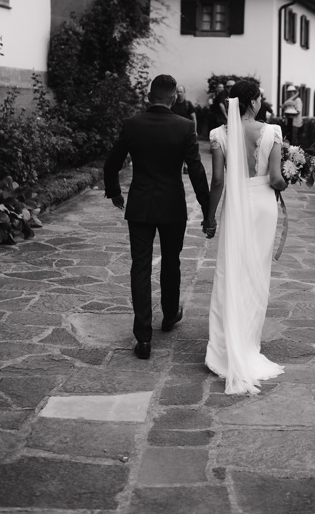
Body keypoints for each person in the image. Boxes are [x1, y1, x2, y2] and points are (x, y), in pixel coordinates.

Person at [104, 74, 212, 359]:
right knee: (171, 261)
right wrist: (207, 208)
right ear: (174, 96)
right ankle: (169, 314)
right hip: (172, 206)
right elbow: (197, 171)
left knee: (140, 266)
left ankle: (143, 338)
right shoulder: (185, 127)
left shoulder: (132, 124)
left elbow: (112, 162)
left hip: (140, 205)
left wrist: (114, 190)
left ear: (149, 96)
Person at [204, 78, 288, 395]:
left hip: (236, 207)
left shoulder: (219, 135)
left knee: (231, 271)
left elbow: (217, 181)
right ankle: (248, 343)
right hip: (264, 205)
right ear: (253, 102)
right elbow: (277, 179)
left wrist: (210, 218)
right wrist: (289, 177)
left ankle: (225, 349)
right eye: (260, 98)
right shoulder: (272, 132)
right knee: (256, 274)